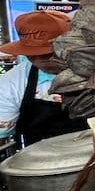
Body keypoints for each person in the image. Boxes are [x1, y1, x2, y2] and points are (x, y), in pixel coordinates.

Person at [0, 11, 87, 148]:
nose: (39, 60)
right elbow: (2, 134)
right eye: (31, 54)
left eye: (48, 53)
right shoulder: (11, 83)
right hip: (39, 158)